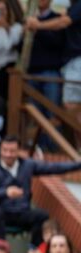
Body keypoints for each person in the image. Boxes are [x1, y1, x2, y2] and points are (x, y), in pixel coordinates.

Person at [0, 135, 81, 246]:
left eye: (12, 151)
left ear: (18, 151)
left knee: (41, 215)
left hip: (21, 212)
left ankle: (34, 249)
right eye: (5, 150)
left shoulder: (27, 165)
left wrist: (78, 165)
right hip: (1, 212)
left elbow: (54, 167)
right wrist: (6, 192)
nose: (8, 154)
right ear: (0, 150)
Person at [24, 0, 81, 145]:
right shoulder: (70, 8)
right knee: (71, 108)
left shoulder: (76, 7)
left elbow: (64, 23)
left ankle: (60, 146)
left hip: (76, 62)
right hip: (69, 64)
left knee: (70, 107)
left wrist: (38, 26)